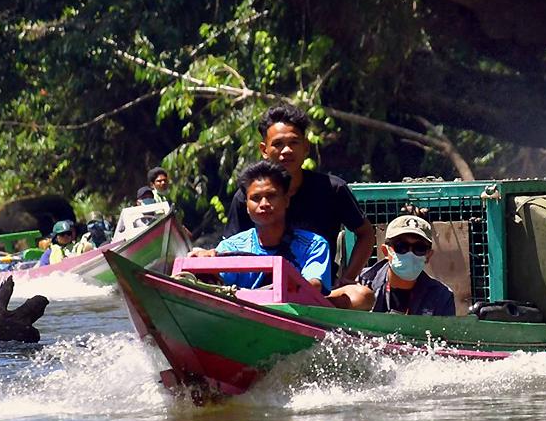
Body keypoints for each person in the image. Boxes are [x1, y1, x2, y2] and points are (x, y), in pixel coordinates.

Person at [226, 103, 376, 286]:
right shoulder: (247, 196)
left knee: (361, 296)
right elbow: (229, 253)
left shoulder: (332, 189)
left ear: (306, 147)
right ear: (264, 150)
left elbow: (366, 233)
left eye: (293, 143)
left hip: (316, 290)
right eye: (278, 144)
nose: (286, 151)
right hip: (257, 295)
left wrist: (347, 279)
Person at [191, 161, 332, 292]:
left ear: (286, 200)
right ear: (246, 205)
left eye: (271, 196)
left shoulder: (313, 245)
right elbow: (213, 282)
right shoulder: (231, 247)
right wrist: (203, 263)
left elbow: (313, 287)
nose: (264, 204)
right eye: (256, 198)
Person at [357, 214, 455, 316]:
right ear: (385, 251)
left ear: (428, 256)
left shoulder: (442, 296)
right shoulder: (360, 283)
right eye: (401, 246)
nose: (410, 254)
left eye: (419, 248)